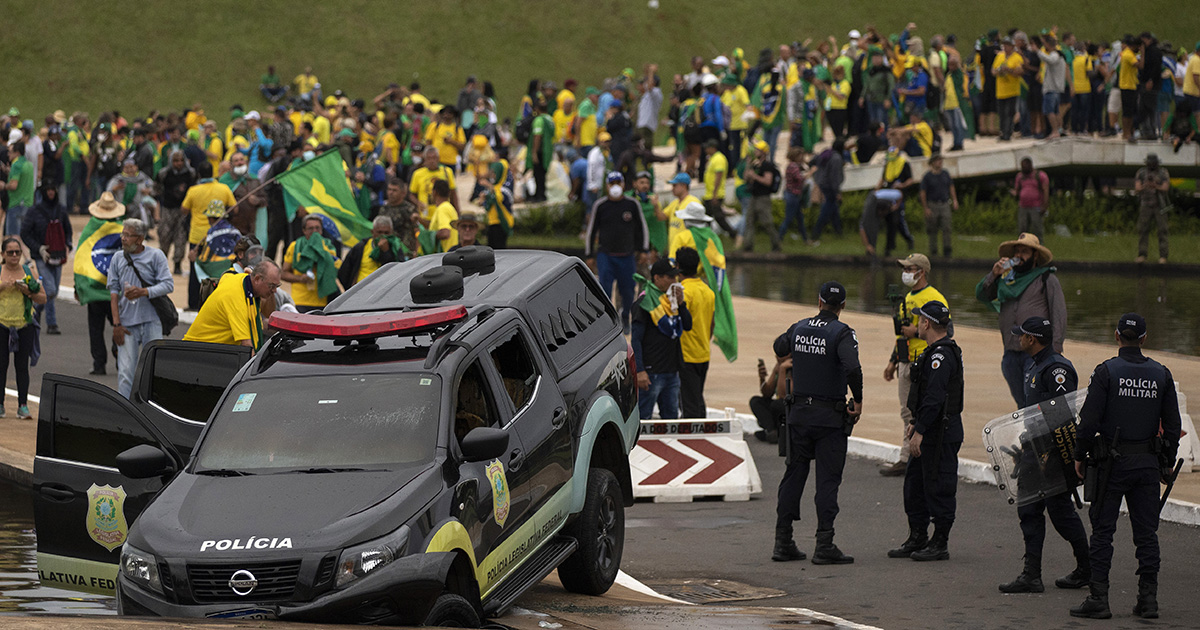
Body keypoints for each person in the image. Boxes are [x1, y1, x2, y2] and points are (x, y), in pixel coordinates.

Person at [1069, 313, 1180, 620]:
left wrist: (1079, 455)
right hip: (1146, 463)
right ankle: (1148, 600)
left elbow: (1088, 420)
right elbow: (1173, 425)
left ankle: (1099, 597)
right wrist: (1167, 462)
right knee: (1147, 533)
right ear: (1144, 339)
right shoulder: (1161, 374)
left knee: (1103, 531)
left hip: (1110, 464)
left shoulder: (1106, 372)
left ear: (1116, 336)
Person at [998, 316, 1090, 595]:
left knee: (1060, 512)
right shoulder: (1034, 365)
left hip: (1050, 452)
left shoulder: (1057, 369)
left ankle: (1086, 568)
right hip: (1033, 448)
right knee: (1029, 510)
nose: (1019, 339)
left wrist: (1050, 452)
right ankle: (1032, 574)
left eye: (1023, 335)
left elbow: (1062, 415)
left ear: (1033, 339)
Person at [772, 281, 862, 565]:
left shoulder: (799, 327)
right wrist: (857, 399)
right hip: (829, 419)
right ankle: (824, 543)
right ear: (843, 306)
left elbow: (779, 346)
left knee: (793, 476)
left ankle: (782, 541)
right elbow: (852, 367)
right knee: (827, 481)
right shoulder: (842, 333)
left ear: (819, 300)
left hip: (799, 415)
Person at [888, 300, 961, 562]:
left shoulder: (941, 356)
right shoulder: (932, 352)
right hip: (927, 425)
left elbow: (935, 398)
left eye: (920, 320)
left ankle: (939, 541)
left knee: (939, 484)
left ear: (927, 323)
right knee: (915, 485)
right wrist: (914, 422)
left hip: (939, 431)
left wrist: (920, 429)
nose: (917, 324)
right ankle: (917, 536)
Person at [975, 232, 1067, 406]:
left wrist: (1055, 350)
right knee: (1022, 403)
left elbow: (1059, 314)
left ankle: (1037, 432)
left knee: (1036, 402)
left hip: (1036, 354)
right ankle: (1028, 432)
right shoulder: (1006, 279)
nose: (1018, 256)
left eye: (1024, 251)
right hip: (1010, 352)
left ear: (1035, 255)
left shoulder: (1046, 278)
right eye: (1016, 251)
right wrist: (993, 274)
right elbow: (983, 294)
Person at [880, 253, 948, 476]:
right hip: (906, 360)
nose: (906, 273)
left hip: (925, 360)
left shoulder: (934, 297)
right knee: (906, 411)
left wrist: (916, 333)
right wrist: (893, 361)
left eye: (910, 269)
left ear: (922, 271)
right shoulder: (908, 297)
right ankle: (907, 455)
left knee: (923, 409)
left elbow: (947, 331)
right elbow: (903, 333)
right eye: (905, 268)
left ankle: (916, 455)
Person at [107, 219, 173, 399]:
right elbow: (113, 293)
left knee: (153, 369)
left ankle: (151, 410)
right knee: (126, 372)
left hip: (152, 321)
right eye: (123, 234)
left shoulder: (156, 256)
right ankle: (125, 412)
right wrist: (116, 324)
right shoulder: (117, 258)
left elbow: (168, 285)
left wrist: (144, 291)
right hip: (126, 325)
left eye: (128, 235)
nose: (123, 238)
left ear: (140, 239)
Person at [584, 172, 647, 333]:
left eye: (618, 183)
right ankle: (607, 321)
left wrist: (643, 250)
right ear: (607, 186)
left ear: (624, 184)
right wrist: (589, 254)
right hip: (606, 255)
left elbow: (641, 228)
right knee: (604, 289)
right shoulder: (601, 205)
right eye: (612, 183)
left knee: (627, 291)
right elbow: (591, 231)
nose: (615, 187)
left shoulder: (632, 204)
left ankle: (625, 317)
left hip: (627, 256)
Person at [631, 259, 690, 420]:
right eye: (670, 278)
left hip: (671, 371)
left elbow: (688, 325)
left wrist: (681, 304)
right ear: (657, 278)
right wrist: (640, 371)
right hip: (651, 373)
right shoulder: (645, 303)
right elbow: (636, 340)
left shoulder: (670, 302)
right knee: (643, 418)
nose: (674, 281)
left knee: (671, 419)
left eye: (676, 277)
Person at [183, 259, 280, 351]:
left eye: (277, 286)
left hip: (217, 352)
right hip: (196, 352)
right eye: (271, 286)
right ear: (257, 279)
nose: (275, 291)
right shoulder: (236, 296)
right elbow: (247, 346)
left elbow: (266, 317)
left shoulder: (245, 283)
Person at [180, 162, 235, 309]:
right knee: (217, 268)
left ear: (199, 175)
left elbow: (184, 209)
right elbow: (233, 207)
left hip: (198, 236)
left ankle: (193, 303)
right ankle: (214, 302)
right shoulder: (223, 188)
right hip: (219, 236)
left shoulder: (193, 190)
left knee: (195, 269)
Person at [0, 236, 44, 418]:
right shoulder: (0, 272)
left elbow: (43, 298)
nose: (14, 256)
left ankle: (23, 405)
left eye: (17, 252)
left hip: (23, 325)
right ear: (2, 254)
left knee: (22, 367)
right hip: (2, 324)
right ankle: (0, 404)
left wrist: (27, 291)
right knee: (1, 366)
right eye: (10, 252)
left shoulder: (28, 271)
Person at [21, 184, 71, 335]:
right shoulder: (34, 211)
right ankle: (52, 324)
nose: (51, 192)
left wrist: (68, 245)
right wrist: (38, 248)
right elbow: (24, 233)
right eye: (48, 189)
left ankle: (36, 309)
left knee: (53, 291)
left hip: (58, 255)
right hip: (41, 257)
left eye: (53, 189)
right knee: (49, 289)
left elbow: (67, 229)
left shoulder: (61, 209)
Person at [676, 246, 714, 419]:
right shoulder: (708, 291)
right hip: (703, 352)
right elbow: (711, 323)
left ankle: (693, 440)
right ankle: (703, 435)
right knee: (697, 398)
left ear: (678, 267)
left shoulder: (682, 292)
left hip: (686, 354)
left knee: (689, 403)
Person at [281, 213, 340, 313]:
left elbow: (332, 271)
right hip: (300, 300)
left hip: (322, 301)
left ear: (322, 230)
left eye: (317, 228)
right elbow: (283, 273)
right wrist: (300, 278)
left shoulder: (328, 247)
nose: (315, 231)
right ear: (304, 230)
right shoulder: (295, 247)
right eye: (310, 228)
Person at [156, 150, 197, 274]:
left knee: (181, 238)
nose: (178, 163)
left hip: (183, 211)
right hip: (168, 209)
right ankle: (161, 265)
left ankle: (177, 264)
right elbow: (157, 189)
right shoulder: (164, 174)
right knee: (164, 236)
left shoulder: (191, 173)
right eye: (175, 161)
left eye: (181, 161)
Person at [338, 216, 405, 289]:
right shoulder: (361, 247)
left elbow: (397, 272)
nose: (383, 236)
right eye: (379, 232)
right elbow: (345, 272)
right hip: (360, 290)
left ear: (391, 233)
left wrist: (386, 252)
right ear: (372, 232)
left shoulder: (395, 248)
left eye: (386, 233)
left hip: (383, 290)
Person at [741, 140, 782, 252]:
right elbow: (746, 178)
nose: (755, 151)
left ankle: (776, 244)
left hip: (763, 197)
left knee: (767, 222)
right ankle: (748, 246)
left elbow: (767, 181)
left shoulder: (767, 166)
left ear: (763, 152)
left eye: (757, 150)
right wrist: (749, 166)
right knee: (749, 221)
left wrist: (755, 176)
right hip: (754, 196)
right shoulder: (755, 164)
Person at [1133, 153, 1170, 264]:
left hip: (1159, 204)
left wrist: (1156, 186)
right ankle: (1142, 254)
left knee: (1162, 230)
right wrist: (1145, 185)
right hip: (1145, 204)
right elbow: (1137, 187)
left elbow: (1165, 187)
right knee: (1143, 229)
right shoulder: (1141, 172)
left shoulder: (1163, 172)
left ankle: (1163, 256)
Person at [918, 154, 957, 256]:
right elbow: (923, 192)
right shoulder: (927, 176)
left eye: (940, 160)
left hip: (944, 203)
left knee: (947, 227)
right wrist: (925, 207)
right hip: (932, 204)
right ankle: (933, 250)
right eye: (938, 160)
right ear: (932, 163)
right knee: (932, 228)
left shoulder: (945, 174)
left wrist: (954, 200)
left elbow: (951, 186)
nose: (940, 162)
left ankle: (947, 249)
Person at [810, 139, 845, 244]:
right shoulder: (837, 158)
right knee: (826, 209)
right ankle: (816, 232)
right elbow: (835, 176)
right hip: (830, 186)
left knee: (834, 209)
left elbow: (813, 160)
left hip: (822, 182)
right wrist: (837, 191)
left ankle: (838, 231)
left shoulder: (827, 153)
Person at [750, 353, 789, 444]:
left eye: (780, 354)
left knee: (777, 404)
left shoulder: (791, 366)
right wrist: (762, 378)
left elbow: (783, 395)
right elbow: (767, 393)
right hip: (779, 409)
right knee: (756, 401)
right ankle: (772, 431)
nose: (777, 357)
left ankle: (782, 433)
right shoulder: (779, 366)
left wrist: (783, 371)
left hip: (790, 407)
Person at [700, 139, 736, 234]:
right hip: (709, 194)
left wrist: (714, 193)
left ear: (713, 148)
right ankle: (707, 236)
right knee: (707, 217)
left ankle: (733, 234)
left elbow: (718, 176)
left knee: (718, 217)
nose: (706, 149)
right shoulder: (712, 158)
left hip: (715, 193)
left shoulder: (719, 158)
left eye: (708, 148)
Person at [993, 37, 1024, 141]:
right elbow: (993, 71)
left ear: (1012, 47)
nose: (1005, 47)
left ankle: (1008, 133)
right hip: (1000, 90)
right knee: (1001, 113)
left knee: (1010, 113)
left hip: (1012, 90)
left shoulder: (1017, 57)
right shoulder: (1000, 57)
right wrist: (999, 71)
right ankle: (1002, 132)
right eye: (1004, 45)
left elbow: (1019, 72)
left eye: (1008, 45)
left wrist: (1009, 70)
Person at [1011, 157, 1049, 241]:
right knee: (1022, 229)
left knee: (1037, 229)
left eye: (1025, 167)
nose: (1024, 169)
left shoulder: (1040, 176)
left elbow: (1046, 191)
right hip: (1023, 206)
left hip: (1036, 206)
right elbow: (1017, 190)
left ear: (1030, 165)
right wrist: (1014, 193)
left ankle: (1039, 246)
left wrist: (1045, 206)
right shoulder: (1020, 176)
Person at [5, 141, 35, 240]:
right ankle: (27, 255)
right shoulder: (28, 164)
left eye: (10, 152)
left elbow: (13, 185)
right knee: (24, 235)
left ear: (17, 152)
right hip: (28, 203)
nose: (8, 154)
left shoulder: (16, 165)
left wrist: (3, 186)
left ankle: (26, 256)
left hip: (16, 204)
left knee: (15, 236)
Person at [525, 98, 553, 202]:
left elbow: (537, 136)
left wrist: (534, 152)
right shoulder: (550, 119)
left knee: (538, 174)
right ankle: (542, 194)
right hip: (548, 150)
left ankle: (539, 195)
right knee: (543, 174)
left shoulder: (539, 120)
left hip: (540, 151)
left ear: (537, 109)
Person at [661, 172, 700, 248]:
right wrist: (655, 205)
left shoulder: (693, 203)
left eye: (675, 186)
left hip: (687, 249)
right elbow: (662, 217)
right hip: (674, 249)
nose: (672, 189)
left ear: (683, 186)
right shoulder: (674, 203)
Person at [428, 179, 459, 253]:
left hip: (444, 255)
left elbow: (445, 233)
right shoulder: (449, 207)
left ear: (434, 192)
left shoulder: (443, 209)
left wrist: (428, 237)